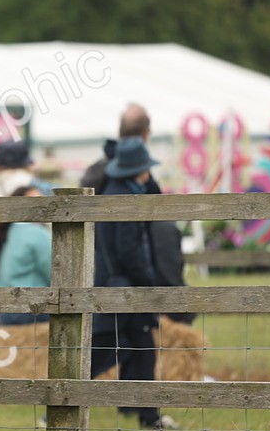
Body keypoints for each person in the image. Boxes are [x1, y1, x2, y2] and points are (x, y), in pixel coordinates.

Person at [90, 137, 179, 431]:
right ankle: (57, 404)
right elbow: (129, 250)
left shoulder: (120, 191)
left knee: (135, 347)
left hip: (118, 284)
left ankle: (146, 415)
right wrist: (148, 281)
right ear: (137, 170)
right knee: (109, 348)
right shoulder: (125, 197)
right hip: (125, 288)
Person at [82, 104, 192, 324]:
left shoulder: (96, 173)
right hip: (131, 275)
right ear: (146, 133)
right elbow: (152, 229)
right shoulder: (134, 180)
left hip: (94, 268)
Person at [0, 186, 50, 326]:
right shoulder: (37, 235)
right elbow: (54, 273)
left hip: (5, 310)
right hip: (34, 310)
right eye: (34, 202)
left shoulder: (2, 233)